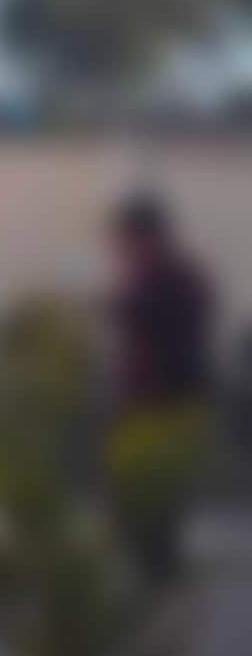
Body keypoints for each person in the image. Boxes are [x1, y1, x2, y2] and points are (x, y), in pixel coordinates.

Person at [105, 194, 217, 585]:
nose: (119, 249)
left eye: (125, 240)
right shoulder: (172, 277)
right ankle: (154, 574)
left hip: (161, 407)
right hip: (157, 405)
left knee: (152, 501)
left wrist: (123, 303)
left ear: (146, 239)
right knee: (150, 502)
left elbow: (148, 327)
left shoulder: (166, 280)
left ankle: (156, 577)